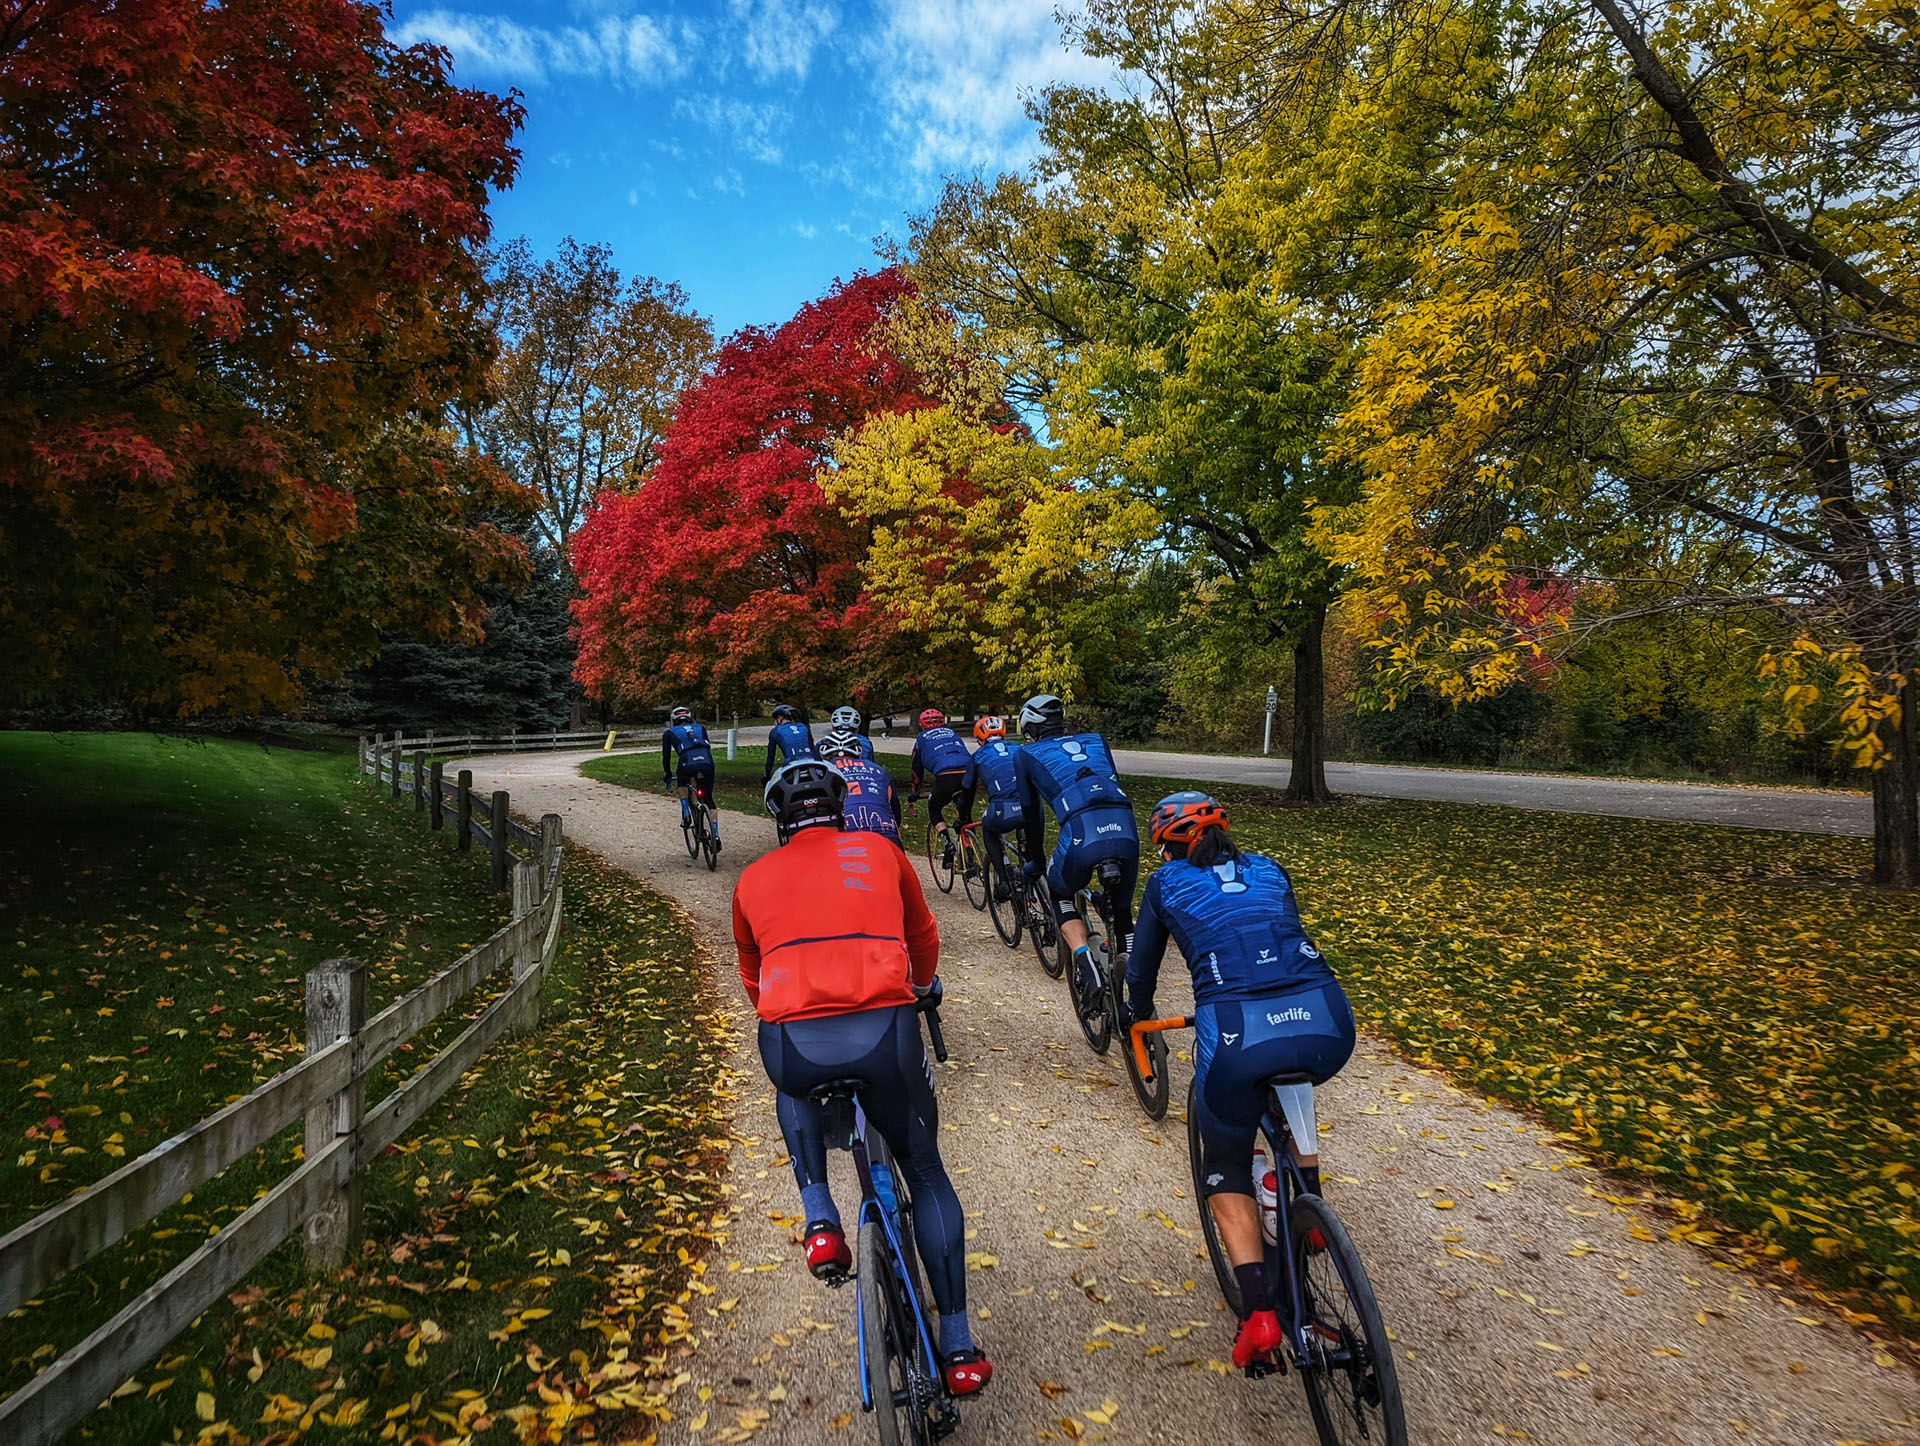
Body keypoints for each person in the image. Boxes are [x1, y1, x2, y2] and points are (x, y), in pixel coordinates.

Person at [732, 761, 993, 1395]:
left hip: (795, 1041)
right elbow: (922, 936)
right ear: (841, 806)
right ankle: (957, 1350)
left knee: (790, 1083)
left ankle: (819, 1220)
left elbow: (752, 976)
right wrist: (923, 988)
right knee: (925, 1170)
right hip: (885, 1031)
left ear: (780, 820)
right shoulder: (879, 850)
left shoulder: (750, 879)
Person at [1126, 791, 1356, 1372]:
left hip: (1237, 1029)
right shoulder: (1270, 867)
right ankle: (1309, 1206)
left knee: (1223, 1152)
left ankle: (1258, 1316)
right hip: (1327, 1019)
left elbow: (1142, 968)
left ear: (1168, 847)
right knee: (1290, 1078)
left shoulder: (1167, 885)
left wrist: (1138, 1011)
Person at [1012, 694, 1138, 1025]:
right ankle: (1138, 993)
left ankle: (1085, 963)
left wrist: (1035, 858)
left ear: (1029, 726)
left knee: (1061, 892)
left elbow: (1031, 814)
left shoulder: (1025, 753)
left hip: (1082, 834)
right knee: (1122, 909)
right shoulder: (1097, 740)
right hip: (1125, 828)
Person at [962, 716, 1022, 894]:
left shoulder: (978, 756)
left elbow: (967, 793)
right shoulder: (1019, 748)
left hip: (1003, 808)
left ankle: (1003, 881)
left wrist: (961, 818)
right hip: (1031, 806)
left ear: (980, 739)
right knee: (1030, 846)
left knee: (989, 829)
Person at [909, 707, 975, 863]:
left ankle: (948, 845)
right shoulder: (953, 734)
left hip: (945, 776)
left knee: (934, 808)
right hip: (969, 773)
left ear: (921, 724)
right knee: (965, 813)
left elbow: (916, 769)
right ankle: (971, 855)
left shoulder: (921, 738)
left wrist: (915, 791)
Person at [819, 728, 902, 843]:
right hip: (884, 828)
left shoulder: (821, 772)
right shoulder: (878, 770)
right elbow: (895, 807)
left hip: (846, 830)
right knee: (897, 859)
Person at [661, 706, 720, 847]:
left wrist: (668, 774)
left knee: (682, 783)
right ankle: (716, 836)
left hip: (687, 762)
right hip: (706, 762)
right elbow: (707, 745)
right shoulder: (700, 728)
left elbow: (666, 756)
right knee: (708, 798)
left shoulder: (669, 732)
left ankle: (686, 814)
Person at [762, 703, 816, 783]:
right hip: (811, 763)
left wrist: (766, 776)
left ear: (780, 718)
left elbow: (770, 758)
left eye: (775, 719)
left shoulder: (775, 731)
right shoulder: (803, 727)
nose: (774, 723)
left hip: (792, 765)